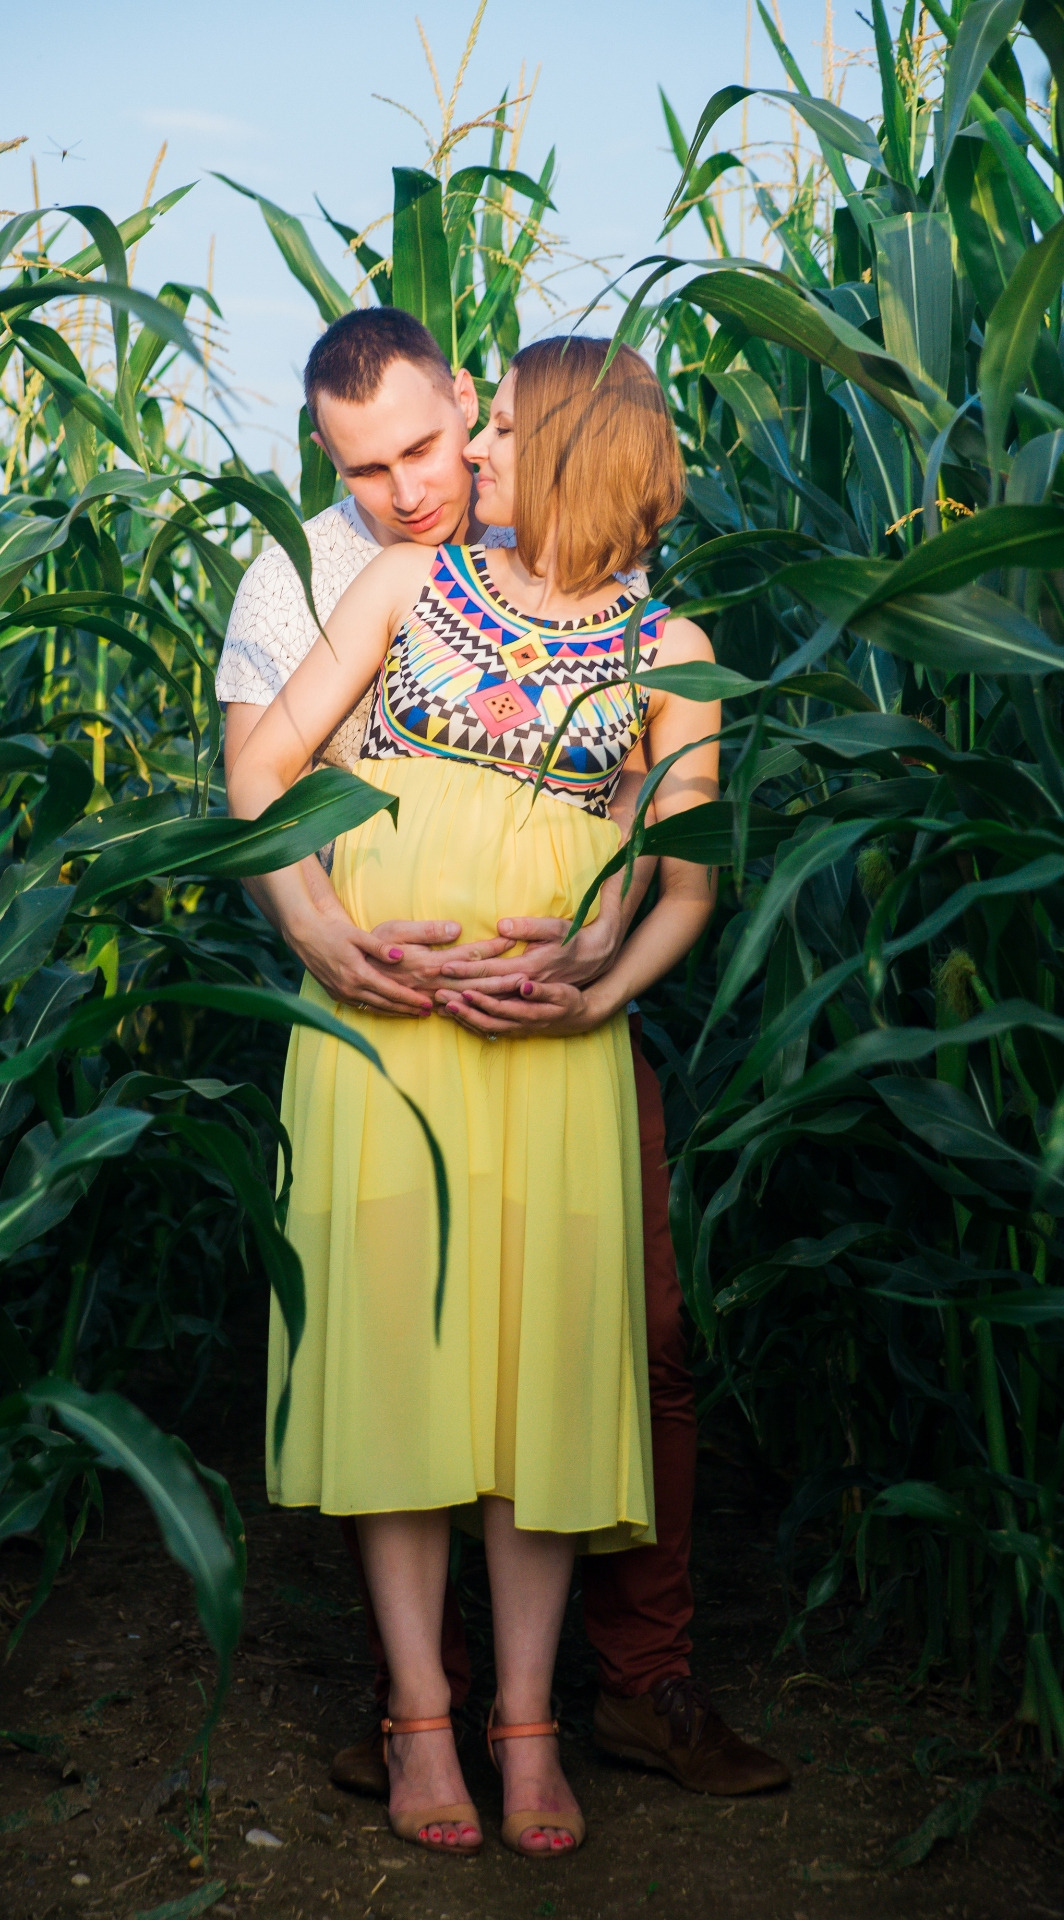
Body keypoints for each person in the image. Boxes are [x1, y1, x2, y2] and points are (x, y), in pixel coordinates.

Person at [218, 308, 789, 1805]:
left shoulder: (665, 637)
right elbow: (258, 770)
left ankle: (539, 1723)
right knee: (407, 1361)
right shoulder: (374, 578)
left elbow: (679, 869)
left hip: (548, 1045)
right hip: (385, 1028)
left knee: (549, 1368)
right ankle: (423, 1721)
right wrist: (328, 937)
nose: (444, 469)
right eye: (379, 462)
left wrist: (598, 977)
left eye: (465, 435)